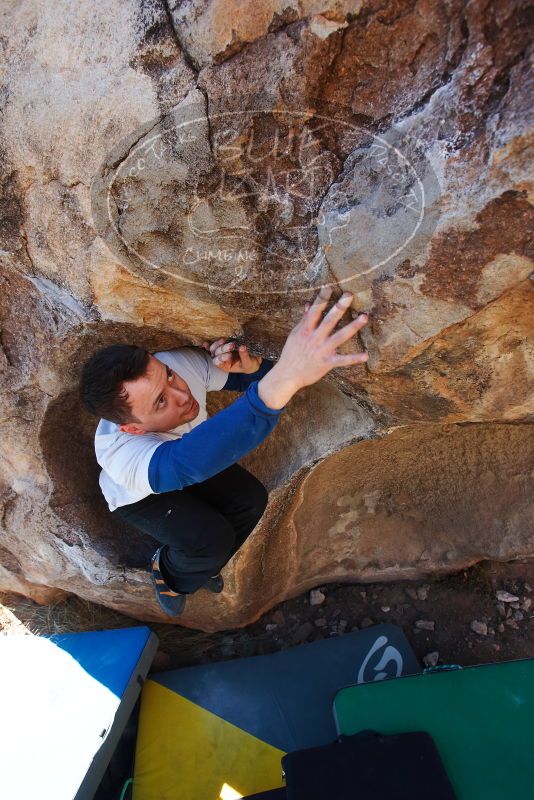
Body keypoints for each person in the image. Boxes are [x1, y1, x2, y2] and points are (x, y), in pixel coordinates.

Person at [79, 286, 368, 616]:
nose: (181, 393)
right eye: (161, 401)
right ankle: (172, 575)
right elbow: (183, 465)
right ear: (132, 428)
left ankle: (202, 563)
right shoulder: (118, 453)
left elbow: (255, 379)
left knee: (250, 499)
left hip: (192, 454)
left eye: (169, 376)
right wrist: (286, 376)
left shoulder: (173, 365)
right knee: (210, 540)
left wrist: (251, 368)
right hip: (142, 495)